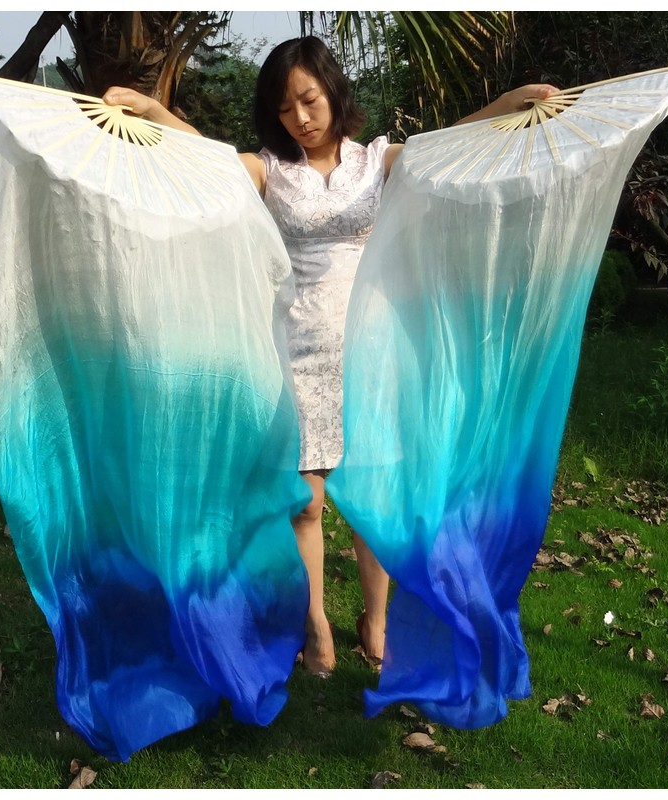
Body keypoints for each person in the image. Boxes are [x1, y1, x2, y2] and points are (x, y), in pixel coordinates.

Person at [103, 36, 557, 679]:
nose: (300, 118)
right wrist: (154, 111)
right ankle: (315, 622)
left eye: (309, 100)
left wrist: (506, 104)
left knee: (371, 495)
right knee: (307, 502)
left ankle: (376, 619)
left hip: (372, 350)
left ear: (333, 93)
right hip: (296, 349)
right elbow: (204, 160)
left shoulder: (376, 162)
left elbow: (447, 147)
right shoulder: (269, 170)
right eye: (285, 108)